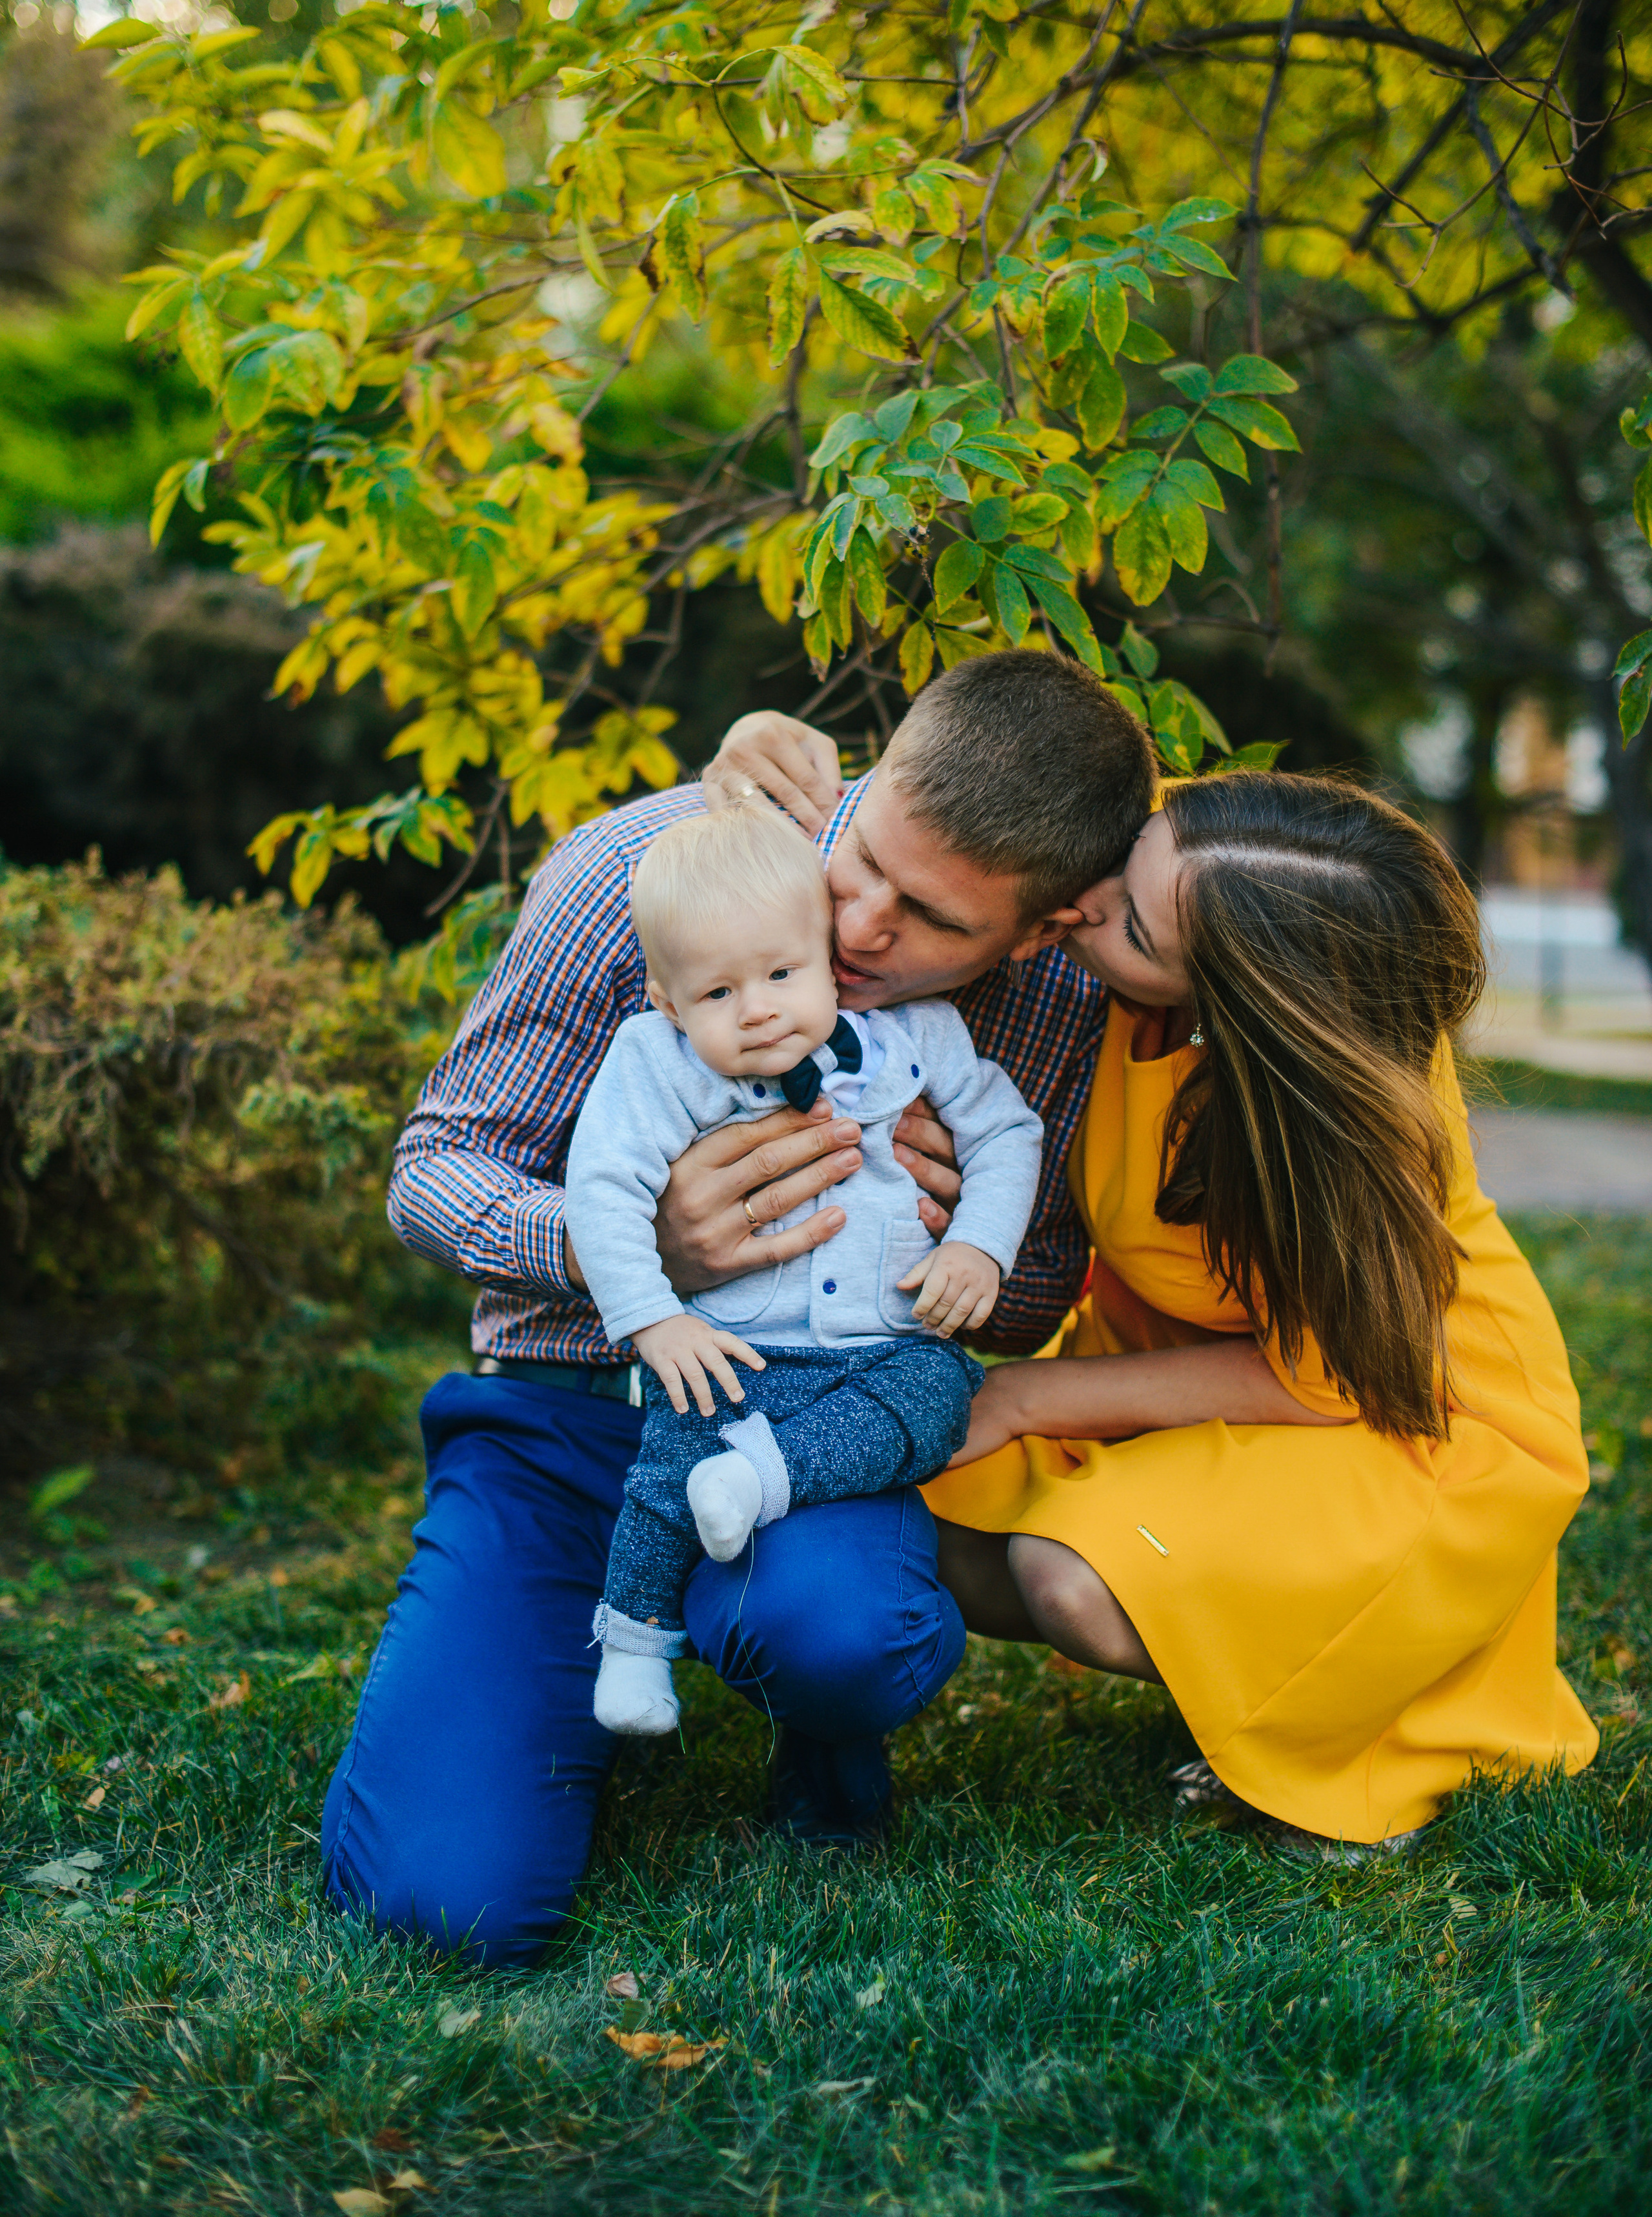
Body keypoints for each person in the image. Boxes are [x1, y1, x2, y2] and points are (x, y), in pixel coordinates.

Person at [320, 652, 1156, 1963]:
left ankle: (794, 1696)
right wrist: (637, 1254)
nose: (863, 926)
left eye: (930, 919)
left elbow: (1038, 1291)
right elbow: (433, 1174)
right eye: (861, 861)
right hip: (571, 1412)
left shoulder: (1063, 1002)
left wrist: (950, 1226)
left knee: (839, 1637)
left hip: (817, 1432)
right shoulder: (645, 871)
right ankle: (575, 1662)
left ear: (1041, 927)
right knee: (442, 1905)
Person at [925, 770, 1598, 1851]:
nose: (1086, 907)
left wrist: (1027, 1394)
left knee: (1070, 1579)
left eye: (1136, 930)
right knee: (940, 1525)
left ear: (1240, 1010)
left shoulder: (1337, 1118)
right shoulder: (1195, 851)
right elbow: (973, 777)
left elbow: (1323, 1377)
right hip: (1198, 1364)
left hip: (1400, 1413)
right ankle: (1251, 1670)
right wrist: (786, 764)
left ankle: (1355, 1722)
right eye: (1128, 860)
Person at [568, 798, 1042, 1736]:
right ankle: (633, 1646)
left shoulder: (915, 1036)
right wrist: (654, 1317)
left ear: (826, 956)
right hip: (732, 1347)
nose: (758, 1011)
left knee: (937, 1399)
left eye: (783, 973)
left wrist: (977, 1242)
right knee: (667, 1471)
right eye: (717, 994)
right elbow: (603, 1187)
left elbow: (1006, 1132)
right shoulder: (656, 1065)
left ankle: (760, 1478)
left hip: (882, 1348)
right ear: (666, 1002)